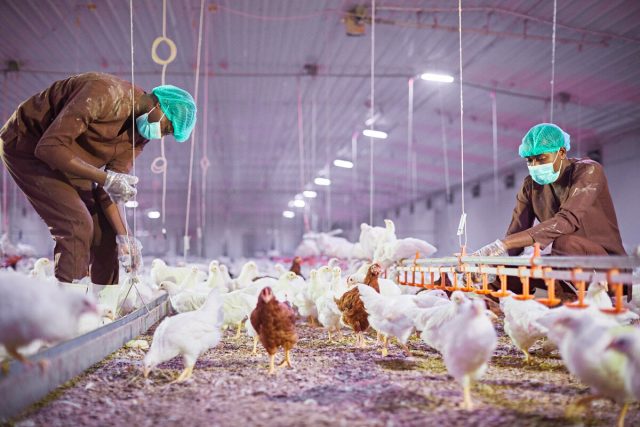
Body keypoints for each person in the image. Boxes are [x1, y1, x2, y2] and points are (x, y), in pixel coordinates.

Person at [0, 72, 196, 284]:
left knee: (107, 233)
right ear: (159, 108)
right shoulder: (103, 92)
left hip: (73, 160)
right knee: (77, 223)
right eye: (166, 128)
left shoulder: (139, 136)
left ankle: (104, 307)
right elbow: (49, 148)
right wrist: (105, 178)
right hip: (28, 145)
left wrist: (126, 237)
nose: (160, 135)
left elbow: (111, 190)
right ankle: (72, 307)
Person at [474, 123, 627, 296]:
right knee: (508, 270)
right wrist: (491, 263)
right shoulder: (530, 185)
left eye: (541, 158)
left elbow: (566, 220)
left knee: (566, 243)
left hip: (605, 265)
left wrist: (502, 244)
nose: (534, 165)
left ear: (561, 152)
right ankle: (490, 309)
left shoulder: (589, 171)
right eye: (529, 160)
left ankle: (579, 303)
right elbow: (516, 233)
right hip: (562, 260)